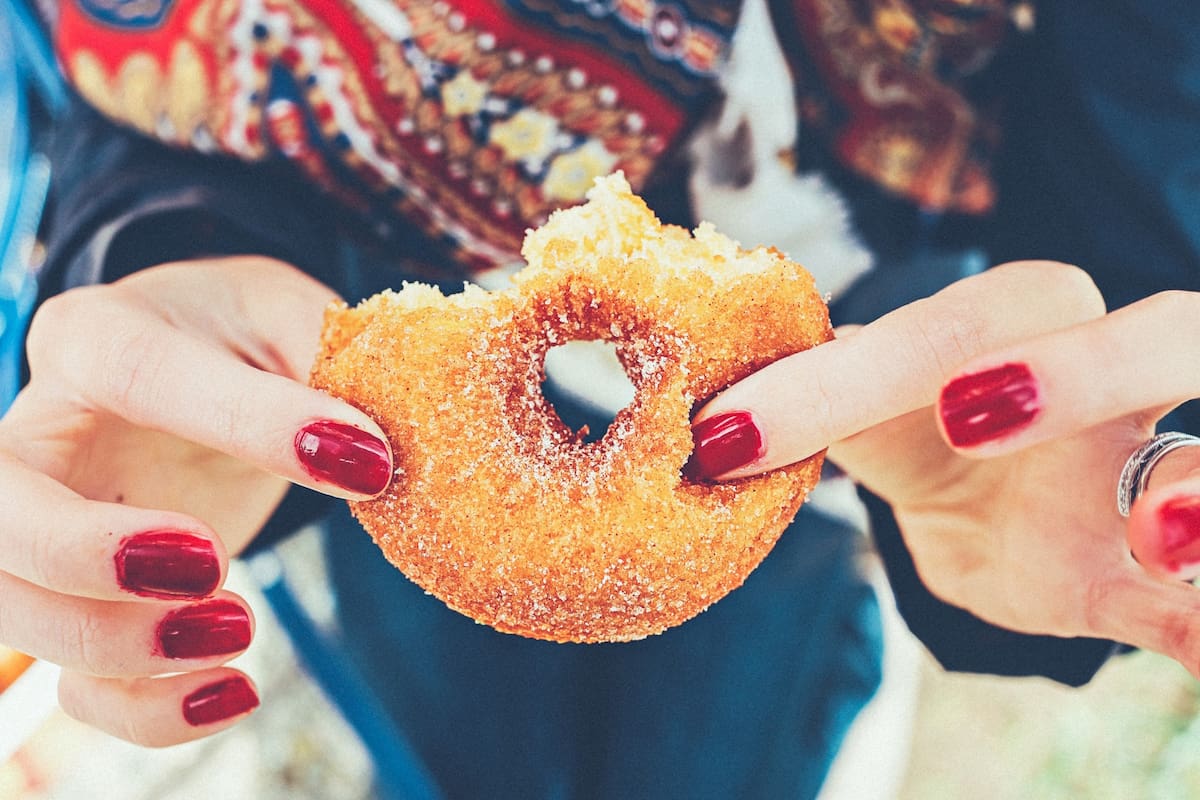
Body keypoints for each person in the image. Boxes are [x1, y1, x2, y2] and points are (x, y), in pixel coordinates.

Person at [4, 0, 1199, 796]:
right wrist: (169, 245)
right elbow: (135, 58)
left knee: (716, 762)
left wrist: (1098, 403)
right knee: (464, 757)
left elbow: (1151, 140)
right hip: (405, 450)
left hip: (815, 450)